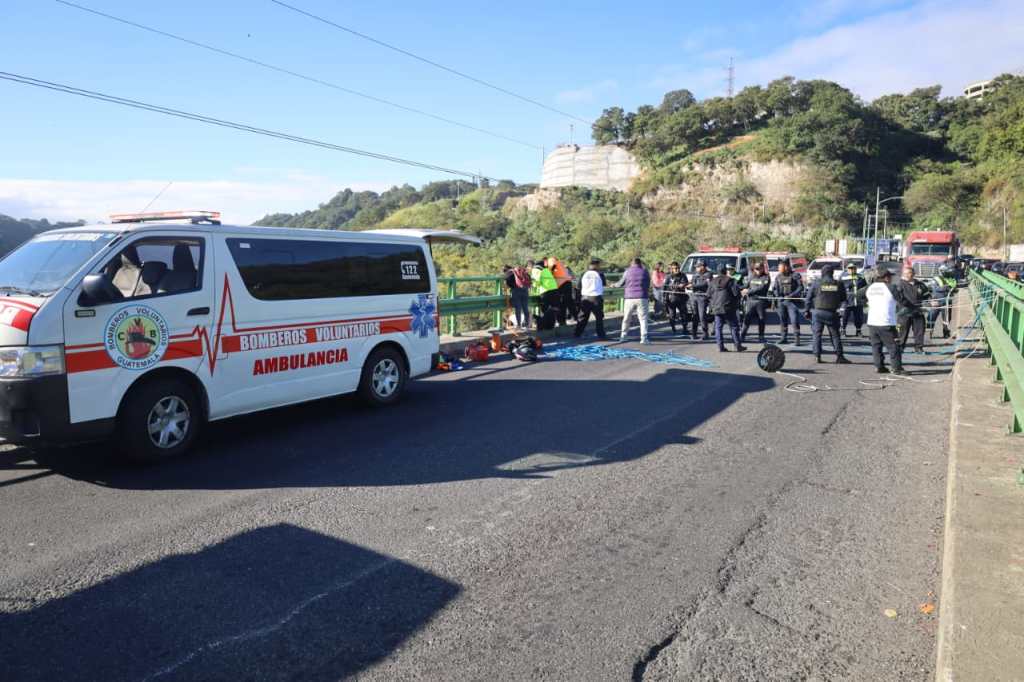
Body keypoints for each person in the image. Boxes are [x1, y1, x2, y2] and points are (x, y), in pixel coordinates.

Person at [803, 264, 850, 364]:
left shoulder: (816, 283)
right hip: (832, 313)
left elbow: (808, 298)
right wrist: (842, 310)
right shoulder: (838, 284)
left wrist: (807, 310)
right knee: (835, 335)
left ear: (822, 273)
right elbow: (844, 300)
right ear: (832, 273)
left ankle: (817, 356)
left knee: (817, 335)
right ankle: (839, 356)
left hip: (818, 312)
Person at [865, 269, 905, 374]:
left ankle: (879, 366)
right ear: (886, 277)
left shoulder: (870, 287)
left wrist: (869, 303)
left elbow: (859, 296)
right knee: (893, 346)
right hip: (886, 322)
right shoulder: (891, 287)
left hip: (872, 322)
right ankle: (896, 368)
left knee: (876, 346)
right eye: (890, 277)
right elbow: (902, 300)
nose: (892, 279)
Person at [709, 264, 746, 352]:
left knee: (718, 328)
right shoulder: (730, 280)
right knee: (733, 327)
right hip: (728, 307)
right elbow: (736, 293)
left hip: (717, 308)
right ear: (725, 271)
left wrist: (713, 304)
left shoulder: (713, 281)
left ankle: (720, 346)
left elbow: (708, 294)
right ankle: (737, 346)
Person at [893, 265, 930, 354]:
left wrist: (929, 302)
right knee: (902, 332)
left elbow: (927, 295)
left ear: (913, 274)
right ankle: (900, 348)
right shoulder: (900, 285)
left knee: (919, 331)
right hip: (904, 313)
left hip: (918, 311)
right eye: (906, 273)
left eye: (910, 273)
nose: (908, 275)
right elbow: (898, 298)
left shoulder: (920, 284)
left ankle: (919, 348)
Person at [616, 258, 651, 344]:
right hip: (642, 297)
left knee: (627, 318)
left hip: (629, 298)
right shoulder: (645, 271)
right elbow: (648, 284)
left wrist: (614, 285)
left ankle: (623, 336)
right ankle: (644, 338)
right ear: (640, 263)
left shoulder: (627, 271)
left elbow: (621, 283)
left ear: (632, 263)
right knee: (643, 319)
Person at [770, 259, 804, 344]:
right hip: (781, 302)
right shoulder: (778, 276)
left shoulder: (795, 275)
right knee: (782, 320)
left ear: (786, 267)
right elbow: (775, 288)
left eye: (780, 267)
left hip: (792, 301)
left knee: (794, 320)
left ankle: (797, 339)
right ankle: (783, 338)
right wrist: (778, 295)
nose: (779, 268)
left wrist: (791, 295)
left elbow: (800, 287)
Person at [575, 259, 607, 339]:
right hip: (596, 298)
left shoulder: (583, 274)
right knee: (599, 317)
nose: (600, 267)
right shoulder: (600, 274)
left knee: (583, 317)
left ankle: (577, 334)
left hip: (585, 298)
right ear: (597, 265)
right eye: (599, 265)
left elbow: (578, 286)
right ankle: (601, 335)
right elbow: (604, 284)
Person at [740, 261, 771, 343]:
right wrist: (740, 289)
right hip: (750, 301)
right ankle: (742, 335)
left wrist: (748, 291)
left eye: (759, 269)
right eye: (756, 269)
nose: (757, 270)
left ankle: (761, 337)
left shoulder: (766, 277)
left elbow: (762, 288)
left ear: (762, 268)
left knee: (761, 319)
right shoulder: (751, 276)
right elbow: (746, 286)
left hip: (760, 301)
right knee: (747, 318)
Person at [530, 258, 560, 330]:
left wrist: (533, 291)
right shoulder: (546, 269)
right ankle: (550, 326)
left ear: (530, 266)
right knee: (553, 309)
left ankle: (542, 326)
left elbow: (536, 282)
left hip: (546, 291)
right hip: (554, 289)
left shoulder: (535, 269)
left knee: (545, 310)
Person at [840, 263, 867, 337]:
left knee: (858, 317)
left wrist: (864, 298)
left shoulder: (860, 277)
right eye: (850, 268)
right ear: (847, 269)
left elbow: (865, 288)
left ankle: (858, 331)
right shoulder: (843, 277)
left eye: (853, 268)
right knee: (844, 316)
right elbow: (839, 288)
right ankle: (843, 330)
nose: (852, 270)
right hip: (846, 301)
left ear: (856, 269)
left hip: (858, 301)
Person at [687, 260, 712, 340]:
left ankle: (705, 333)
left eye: (698, 266)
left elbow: (705, 284)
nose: (696, 268)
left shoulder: (708, 274)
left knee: (702, 316)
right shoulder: (695, 274)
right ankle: (694, 333)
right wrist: (688, 285)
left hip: (702, 297)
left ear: (702, 267)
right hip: (694, 296)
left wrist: (693, 286)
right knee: (694, 315)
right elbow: (692, 283)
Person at [663, 261, 689, 335]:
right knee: (672, 314)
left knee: (684, 314)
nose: (677, 269)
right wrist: (665, 298)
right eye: (675, 268)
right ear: (672, 269)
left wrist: (682, 285)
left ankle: (685, 328)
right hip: (671, 298)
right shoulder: (668, 276)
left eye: (678, 268)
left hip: (681, 298)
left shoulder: (683, 275)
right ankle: (673, 328)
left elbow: (685, 283)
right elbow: (665, 287)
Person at [547, 257, 576, 325]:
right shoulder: (561, 264)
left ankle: (562, 321)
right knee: (569, 302)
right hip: (567, 283)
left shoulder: (552, 261)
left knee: (561, 303)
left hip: (562, 284)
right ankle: (575, 317)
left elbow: (552, 269)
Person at [505, 263, 531, 329]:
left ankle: (519, 325)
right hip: (525, 290)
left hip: (516, 291)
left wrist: (511, 287)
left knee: (518, 308)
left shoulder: (509, 273)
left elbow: (508, 282)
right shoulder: (520, 271)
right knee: (525, 307)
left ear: (506, 270)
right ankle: (527, 324)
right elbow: (529, 278)